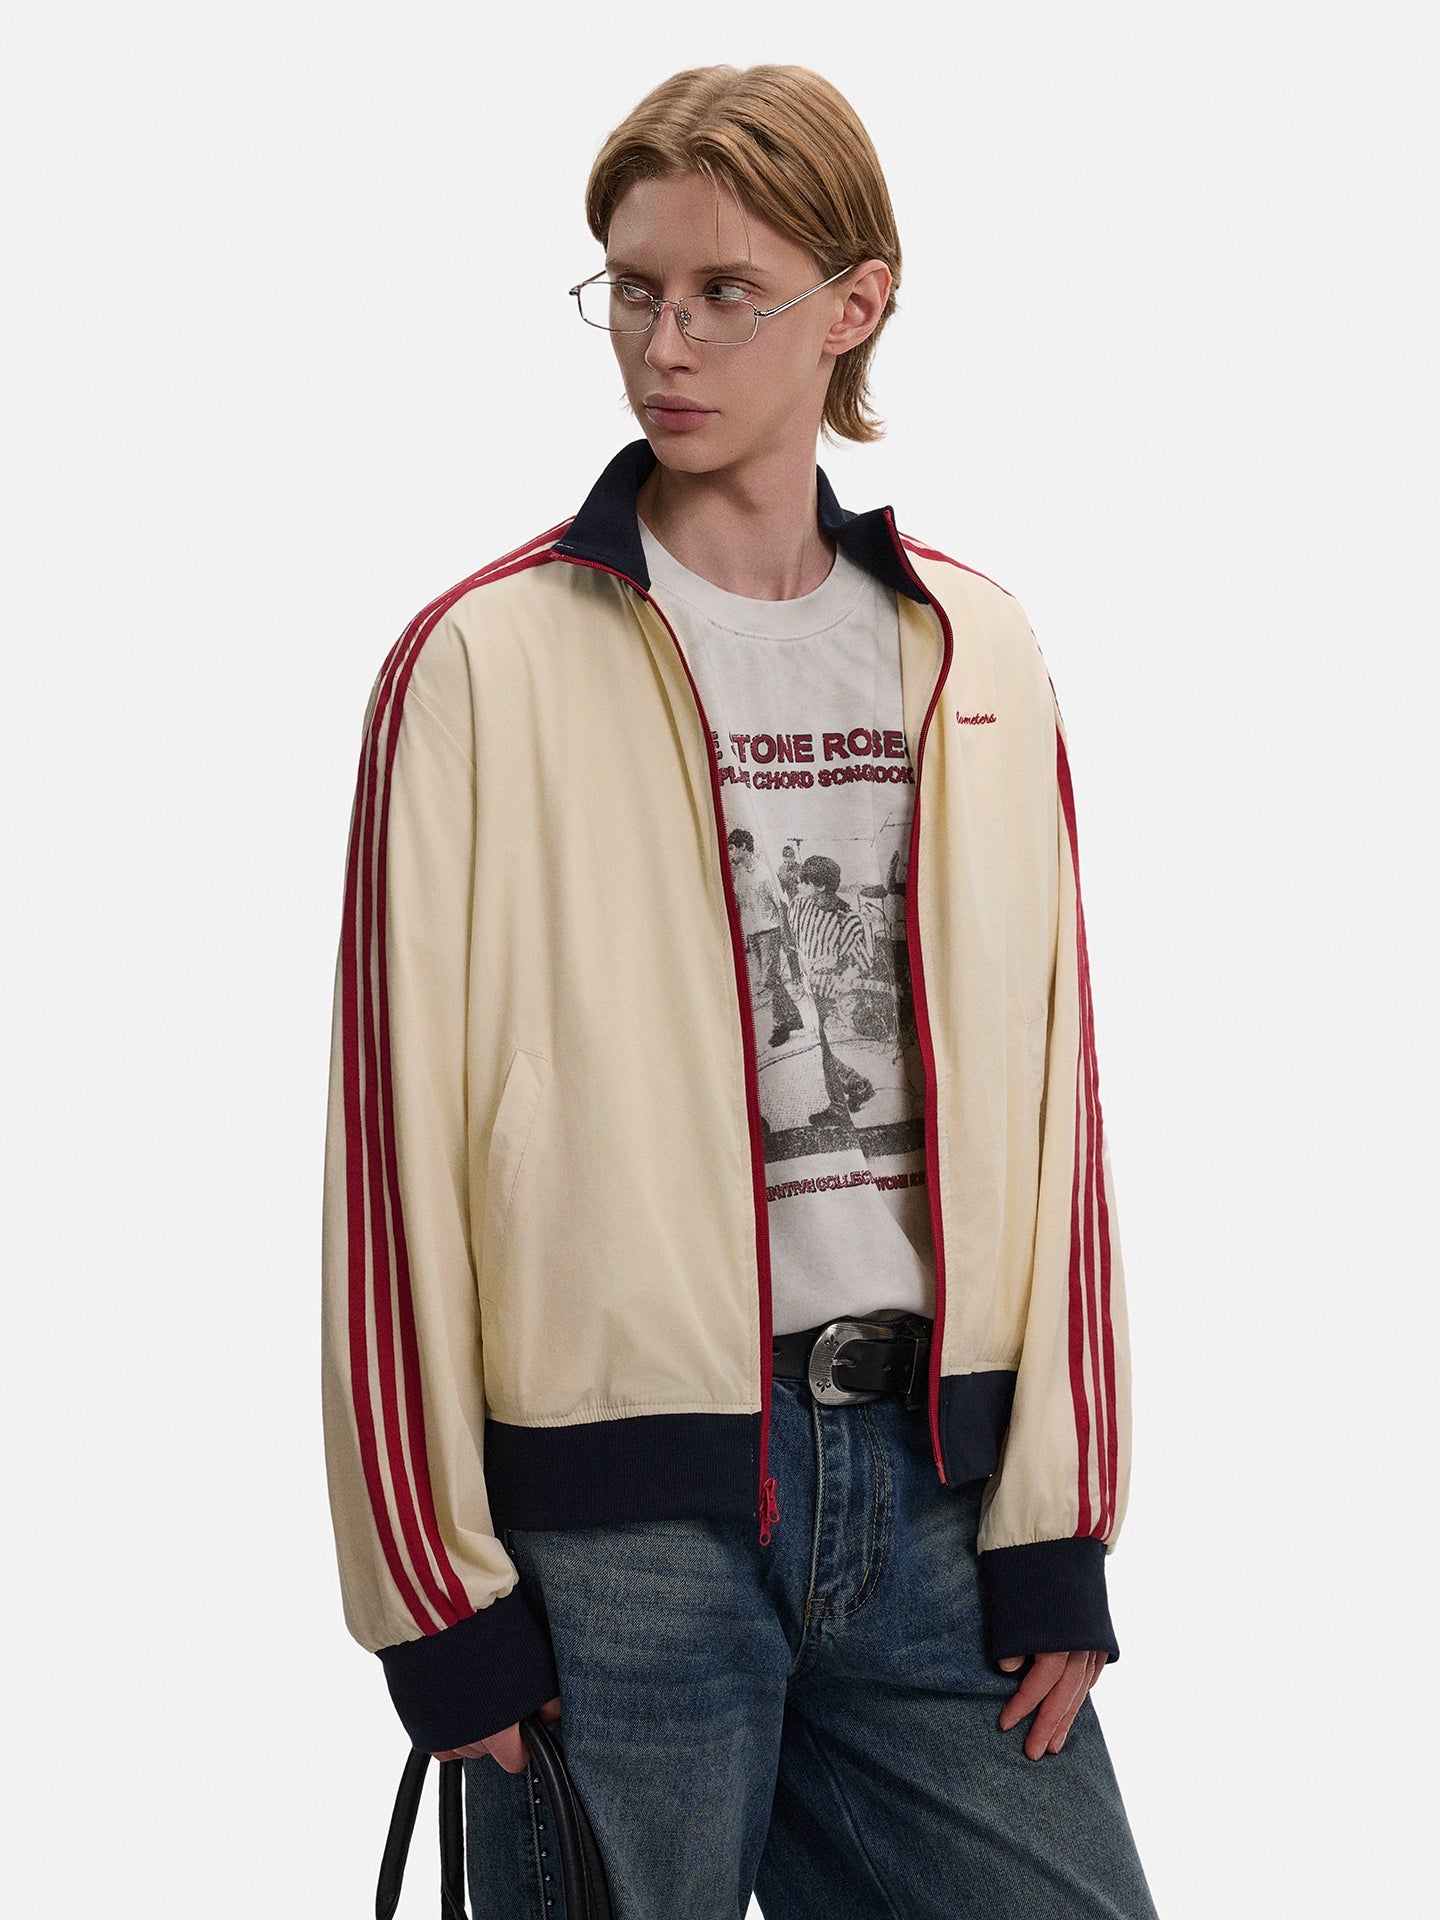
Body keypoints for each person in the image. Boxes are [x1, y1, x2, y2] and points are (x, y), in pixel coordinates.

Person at [321, 61, 1159, 1919]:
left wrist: (1061, 1518)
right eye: (632, 289)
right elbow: (392, 1148)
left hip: (937, 1493)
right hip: (619, 1535)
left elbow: (1059, 1097)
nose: (664, 341)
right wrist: (435, 1592)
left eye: (726, 293)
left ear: (856, 306)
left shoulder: (973, 645)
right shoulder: (479, 663)